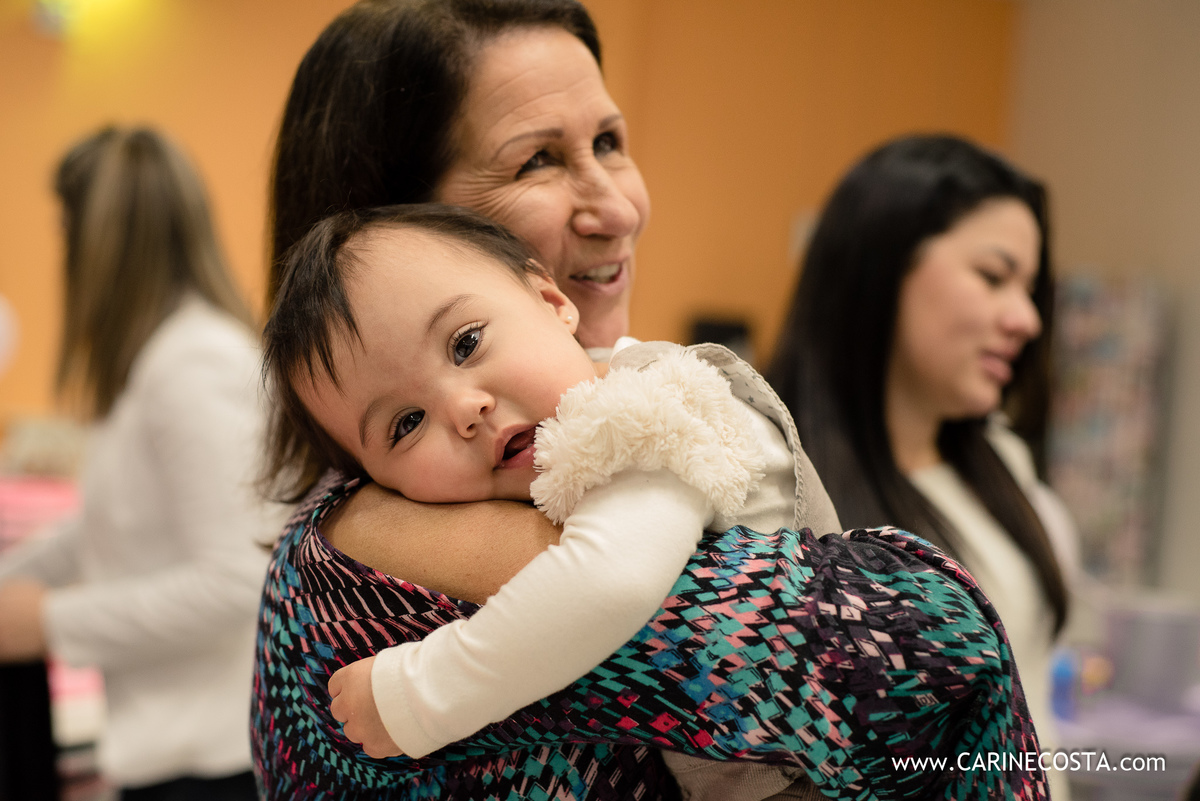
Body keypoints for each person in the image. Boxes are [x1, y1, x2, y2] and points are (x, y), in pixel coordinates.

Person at [253, 3, 1047, 799]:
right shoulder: (364, 560)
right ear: (401, 217)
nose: (623, 207)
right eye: (536, 161)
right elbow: (926, 657)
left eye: (608, 142)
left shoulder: (629, 412)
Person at [767, 133, 1079, 799]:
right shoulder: (772, 485)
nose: (1026, 319)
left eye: (1030, 289)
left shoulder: (1002, 463)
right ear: (881, 269)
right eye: (994, 277)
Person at [0, 126, 273, 800]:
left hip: (215, 762)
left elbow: (241, 578)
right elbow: (109, 526)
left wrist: (51, 621)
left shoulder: (193, 364)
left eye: (68, 235)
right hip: (171, 755)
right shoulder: (154, 367)